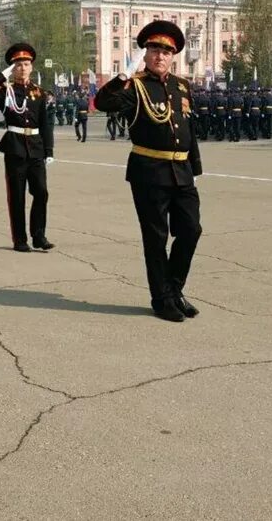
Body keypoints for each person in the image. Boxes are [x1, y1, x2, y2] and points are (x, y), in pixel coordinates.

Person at [94, 21, 203, 322]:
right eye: (155, 49)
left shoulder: (181, 86)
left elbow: (188, 128)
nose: (160, 56)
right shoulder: (135, 86)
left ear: (173, 56)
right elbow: (102, 102)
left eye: (166, 51)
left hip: (181, 170)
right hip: (149, 171)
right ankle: (161, 298)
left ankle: (175, 289)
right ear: (146, 53)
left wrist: (195, 167)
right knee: (156, 238)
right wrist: (121, 76)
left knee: (191, 230)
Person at [0, 42, 54, 253]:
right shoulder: (5, 91)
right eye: (18, 64)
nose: (23, 68)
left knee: (41, 193)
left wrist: (49, 150)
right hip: (15, 148)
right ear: (13, 68)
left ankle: (39, 235)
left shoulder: (39, 93)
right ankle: (19, 239)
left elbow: (45, 124)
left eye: (26, 64)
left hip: (36, 148)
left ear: (32, 67)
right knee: (17, 196)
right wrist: (2, 76)